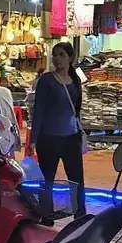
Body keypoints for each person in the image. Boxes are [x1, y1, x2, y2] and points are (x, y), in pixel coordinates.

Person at [31, 42, 86, 218]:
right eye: (55, 55)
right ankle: (45, 215)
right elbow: (38, 110)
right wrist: (33, 139)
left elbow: (76, 109)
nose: (57, 58)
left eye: (61, 54)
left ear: (70, 58)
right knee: (47, 178)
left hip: (71, 138)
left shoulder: (75, 79)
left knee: (76, 179)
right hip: (49, 138)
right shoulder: (46, 80)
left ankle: (80, 214)